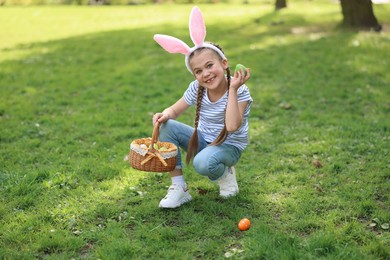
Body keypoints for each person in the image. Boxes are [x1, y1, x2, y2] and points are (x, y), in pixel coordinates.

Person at [152, 6, 252, 208]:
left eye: (209, 65)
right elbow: (175, 110)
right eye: (198, 71)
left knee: (202, 163)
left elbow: (232, 126)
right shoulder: (197, 88)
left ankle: (225, 174)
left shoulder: (240, 90)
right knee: (166, 125)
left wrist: (232, 90)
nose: (205, 74)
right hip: (205, 141)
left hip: (228, 147)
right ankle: (180, 188)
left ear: (224, 63)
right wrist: (164, 114)